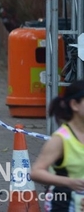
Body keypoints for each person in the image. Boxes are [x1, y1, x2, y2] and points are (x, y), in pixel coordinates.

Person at [31, 81, 84, 212]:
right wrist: (69, 182)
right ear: (74, 105)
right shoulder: (60, 139)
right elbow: (36, 172)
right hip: (63, 205)